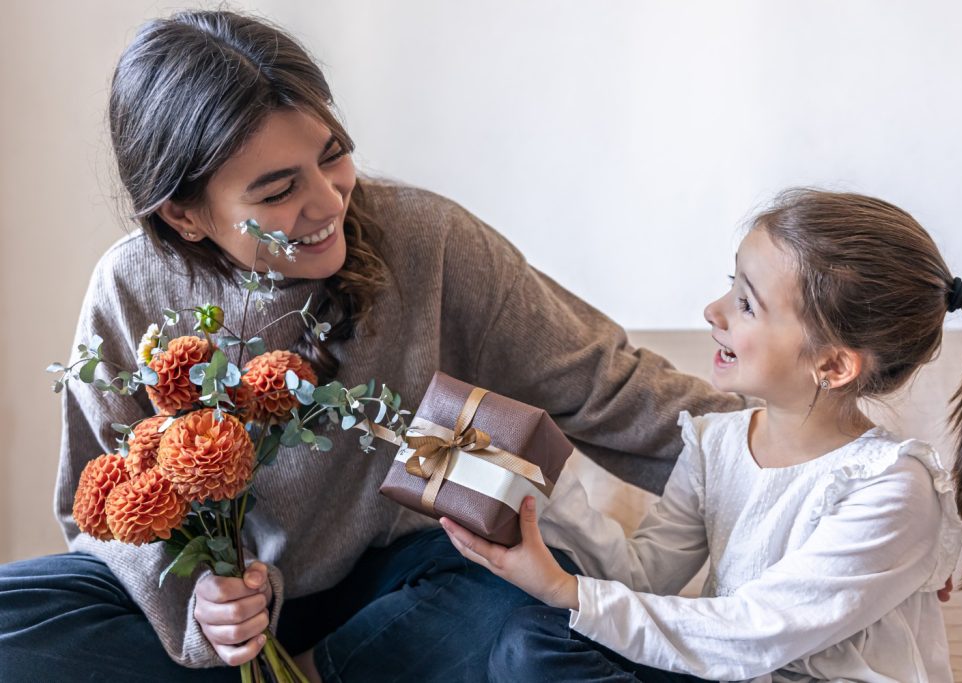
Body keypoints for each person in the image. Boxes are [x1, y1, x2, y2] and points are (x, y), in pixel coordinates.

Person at [0, 10, 749, 683]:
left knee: (529, 619)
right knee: (17, 620)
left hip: (402, 588)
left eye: (334, 154)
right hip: (223, 621)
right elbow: (95, 504)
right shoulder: (130, 288)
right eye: (276, 190)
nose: (329, 202)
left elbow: (607, 385)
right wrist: (197, 601)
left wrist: (800, 454)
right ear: (187, 215)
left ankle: (325, 670)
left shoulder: (428, 239)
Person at [441, 189, 962, 682]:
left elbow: (755, 633)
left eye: (746, 303)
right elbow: (645, 579)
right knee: (530, 640)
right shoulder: (716, 443)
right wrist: (539, 488)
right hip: (730, 669)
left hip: (758, 661)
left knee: (555, 622)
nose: (712, 311)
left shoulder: (892, 490)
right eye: (730, 285)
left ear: (834, 366)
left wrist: (570, 592)